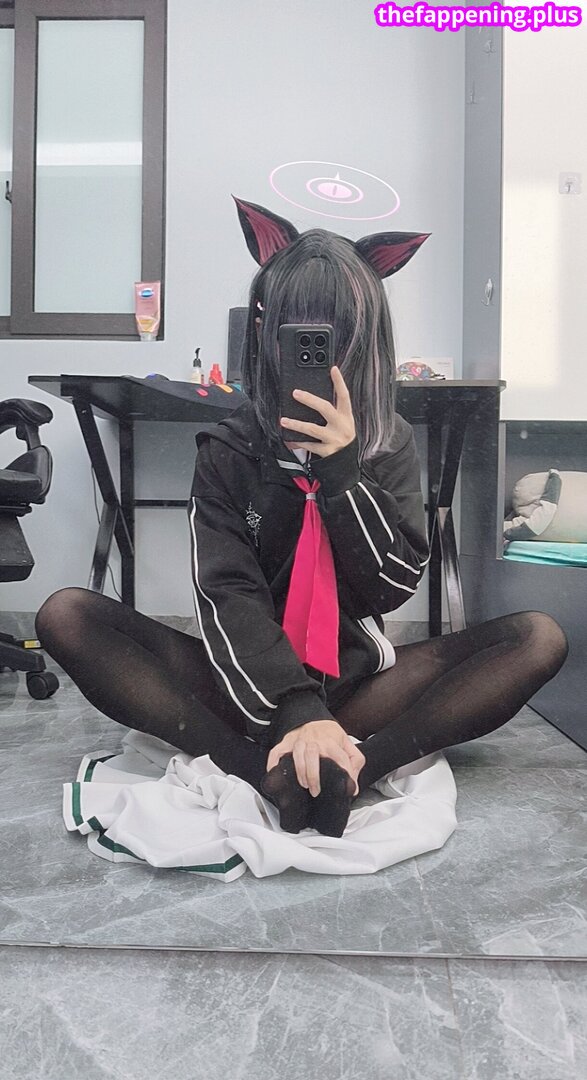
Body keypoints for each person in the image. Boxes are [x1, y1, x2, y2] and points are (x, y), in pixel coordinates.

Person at [35, 197, 569, 840]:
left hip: (358, 682)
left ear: (363, 340)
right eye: (299, 337)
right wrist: (294, 707)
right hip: (246, 685)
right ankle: (260, 768)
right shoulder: (229, 450)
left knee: (537, 637)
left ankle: (359, 766)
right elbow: (228, 594)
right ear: (267, 336)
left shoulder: (389, 443)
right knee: (67, 614)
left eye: (331, 336)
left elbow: (391, 587)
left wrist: (343, 472)